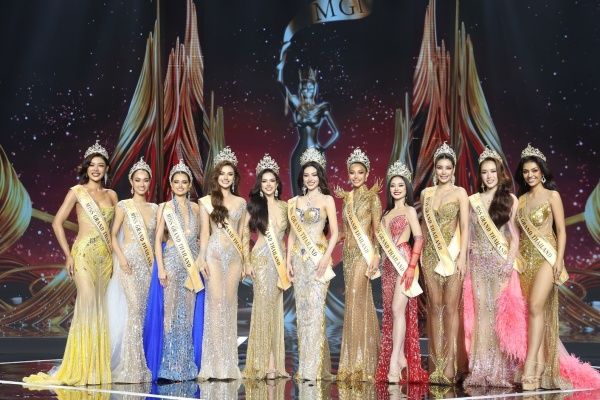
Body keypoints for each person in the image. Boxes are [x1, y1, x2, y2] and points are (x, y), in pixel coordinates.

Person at [24, 141, 118, 386]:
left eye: (100, 165)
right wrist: (68, 255)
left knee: (100, 307)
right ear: (86, 168)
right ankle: (81, 366)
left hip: (105, 258)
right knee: (88, 304)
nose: (95, 169)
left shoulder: (112, 195)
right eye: (92, 165)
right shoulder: (77, 192)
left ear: (106, 168)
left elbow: (116, 231)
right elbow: (57, 223)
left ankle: (96, 368)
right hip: (83, 255)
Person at [515, 144, 600, 390]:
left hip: (546, 258)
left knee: (535, 306)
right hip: (526, 261)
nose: (530, 175)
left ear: (542, 172)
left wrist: (559, 259)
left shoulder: (552, 196)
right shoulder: (521, 200)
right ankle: (540, 363)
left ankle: (531, 364)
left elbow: (561, 231)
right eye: (526, 171)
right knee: (532, 313)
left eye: (534, 170)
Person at [463, 147, 525, 388]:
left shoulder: (510, 200)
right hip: (478, 264)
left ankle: (499, 371)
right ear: (480, 175)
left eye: (493, 171)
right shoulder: (473, 201)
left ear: (500, 173)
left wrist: (509, 264)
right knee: (481, 315)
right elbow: (468, 233)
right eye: (485, 172)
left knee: (498, 315)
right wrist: (470, 251)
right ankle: (480, 369)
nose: (489, 176)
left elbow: (515, 237)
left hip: (500, 264)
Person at [148, 159, 203, 381]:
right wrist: (160, 268)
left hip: (192, 265)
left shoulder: (197, 208)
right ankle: (168, 365)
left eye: (184, 182)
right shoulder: (164, 208)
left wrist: (199, 248)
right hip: (171, 261)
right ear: (171, 184)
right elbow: (157, 240)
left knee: (187, 313)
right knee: (170, 313)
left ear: (190, 185)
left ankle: (185, 365)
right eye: (176, 182)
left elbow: (202, 237)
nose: (180, 185)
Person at [286, 147, 338, 381]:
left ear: (320, 176)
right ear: (302, 177)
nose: (310, 178)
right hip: (299, 261)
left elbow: (335, 232)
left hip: (318, 261)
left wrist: (326, 257)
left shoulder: (327, 200)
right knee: (303, 313)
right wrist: (288, 261)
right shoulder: (294, 202)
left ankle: (313, 369)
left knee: (316, 313)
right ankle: (305, 367)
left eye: (314, 174)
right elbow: (292, 235)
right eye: (306, 175)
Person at [374, 161, 429, 384]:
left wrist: (412, 267)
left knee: (398, 309)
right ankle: (400, 357)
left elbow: (419, 238)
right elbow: (381, 245)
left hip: (404, 262)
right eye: (393, 185)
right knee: (392, 312)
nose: (396, 189)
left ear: (406, 188)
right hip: (388, 266)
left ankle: (394, 362)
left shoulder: (409, 210)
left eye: (400, 185)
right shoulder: (385, 214)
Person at [419, 142, 469, 385]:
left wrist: (462, 258)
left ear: (454, 169)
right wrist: (419, 255)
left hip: (453, 257)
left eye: (448, 168)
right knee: (434, 308)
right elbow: (423, 227)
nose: (443, 172)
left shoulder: (460, 193)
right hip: (430, 257)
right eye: (440, 167)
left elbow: (465, 228)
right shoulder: (426, 194)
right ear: (435, 169)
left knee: (450, 308)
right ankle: (436, 364)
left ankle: (450, 365)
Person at [197, 147, 246, 380]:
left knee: (229, 304)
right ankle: (214, 363)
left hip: (235, 258)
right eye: (222, 174)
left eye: (230, 174)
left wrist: (246, 261)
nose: (226, 178)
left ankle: (228, 363)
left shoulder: (241, 202)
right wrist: (201, 259)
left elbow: (243, 235)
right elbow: (204, 233)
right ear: (216, 177)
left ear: (234, 178)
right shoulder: (206, 202)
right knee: (215, 305)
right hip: (214, 256)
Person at [108, 157, 157, 383]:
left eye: (145, 180)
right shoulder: (123, 206)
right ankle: (131, 366)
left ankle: (143, 362)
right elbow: (112, 235)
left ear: (149, 182)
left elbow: (159, 239)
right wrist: (121, 258)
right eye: (138, 180)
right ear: (131, 182)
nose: (142, 184)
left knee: (145, 313)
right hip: (128, 264)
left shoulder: (156, 209)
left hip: (149, 266)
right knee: (134, 311)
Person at [242, 155, 290, 380]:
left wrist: (289, 262)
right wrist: (247, 262)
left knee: (275, 309)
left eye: (272, 180)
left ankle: (275, 362)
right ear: (260, 184)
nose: (269, 184)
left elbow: (291, 237)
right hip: (261, 260)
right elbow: (244, 235)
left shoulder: (286, 206)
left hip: (279, 263)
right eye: (264, 181)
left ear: (277, 183)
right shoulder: (254, 206)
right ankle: (265, 362)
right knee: (263, 309)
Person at [335, 148, 381, 382]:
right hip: (348, 255)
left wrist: (377, 256)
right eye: (352, 172)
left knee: (356, 297)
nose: (355, 176)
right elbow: (346, 231)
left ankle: (362, 363)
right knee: (354, 303)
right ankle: (352, 362)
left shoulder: (373, 198)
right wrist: (327, 242)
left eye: (360, 172)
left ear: (367, 174)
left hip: (364, 255)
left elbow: (377, 231)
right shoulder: (347, 199)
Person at [276, 44, 340, 195]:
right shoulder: (297, 106)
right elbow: (280, 84)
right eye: (305, 88)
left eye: (310, 88)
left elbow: (336, 133)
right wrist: (280, 65)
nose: (307, 90)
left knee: (317, 194)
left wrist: (323, 148)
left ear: (315, 88)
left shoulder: (322, 109)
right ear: (301, 89)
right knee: (298, 195)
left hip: (316, 154)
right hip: (299, 153)